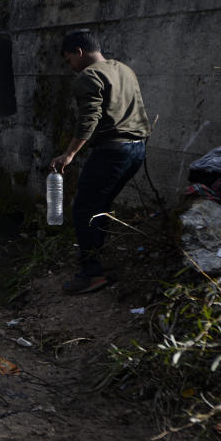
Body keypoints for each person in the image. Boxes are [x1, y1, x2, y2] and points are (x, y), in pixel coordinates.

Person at [50, 29, 151, 295]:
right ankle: (95, 262)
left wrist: (69, 154)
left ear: (79, 52)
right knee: (100, 206)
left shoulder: (88, 76)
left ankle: (91, 274)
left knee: (83, 210)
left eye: (68, 59)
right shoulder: (123, 69)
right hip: (137, 150)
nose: (70, 66)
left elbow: (89, 120)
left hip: (112, 152)